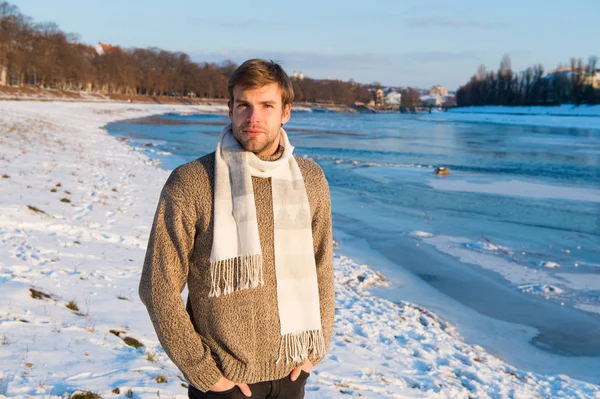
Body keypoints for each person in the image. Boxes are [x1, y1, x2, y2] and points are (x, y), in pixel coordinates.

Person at [139, 59, 334, 399]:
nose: (253, 117)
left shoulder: (310, 179)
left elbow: (322, 267)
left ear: (286, 112)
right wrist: (205, 374)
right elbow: (157, 287)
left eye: (266, 106)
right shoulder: (193, 181)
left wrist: (313, 355)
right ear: (230, 109)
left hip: (291, 374)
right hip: (224, 384)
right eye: (244, 105)